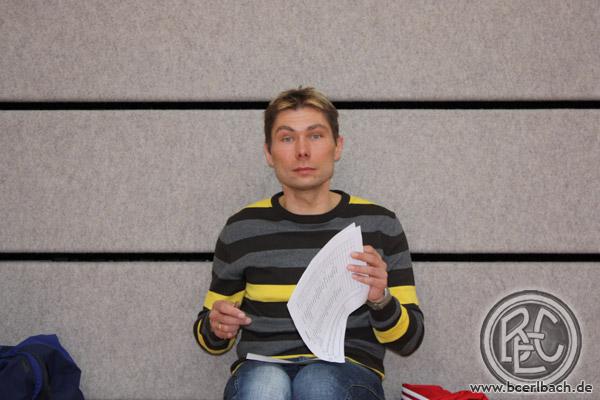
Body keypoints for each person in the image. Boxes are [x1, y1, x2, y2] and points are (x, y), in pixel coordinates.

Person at [193, 87, 424, 400]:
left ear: (337, 146)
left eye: (315, 136)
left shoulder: (379, 225)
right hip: (261, 370)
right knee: (265, 386)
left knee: (317, 381)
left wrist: (381, 300)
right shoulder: (241, 229)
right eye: (287, 138)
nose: (302, 151)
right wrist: (217, 326)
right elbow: (209, 337)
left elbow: (409, 341)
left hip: (348, 372)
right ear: (269, 152)